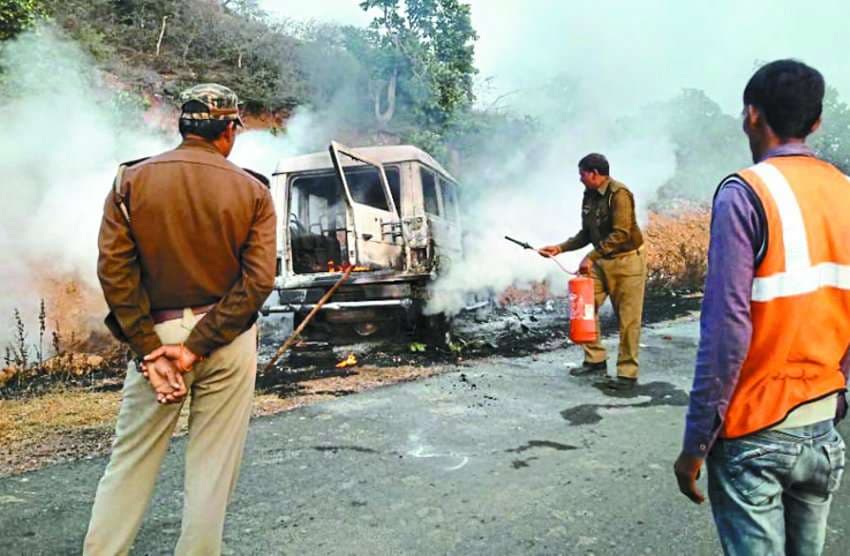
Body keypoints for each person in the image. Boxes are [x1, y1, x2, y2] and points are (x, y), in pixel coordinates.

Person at [84, 83, 277, 555]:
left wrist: (150, 349)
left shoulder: (129, 181)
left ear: (184, 126)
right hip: (227, 340)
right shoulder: (253, 191)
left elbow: (115, 272)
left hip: (155, 338)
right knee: (212, 470)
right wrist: (195, 347)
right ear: (229, 130)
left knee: (130, 461)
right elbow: (256, 283)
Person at [673, 60, 849, 555]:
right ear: (815, 123)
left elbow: (727, 331)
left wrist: (696, 445)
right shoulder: (846, 194)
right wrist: (834, 395)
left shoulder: (745, 193)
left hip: (755, 433)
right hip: (821, 428)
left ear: (752, 115)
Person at [540, 153, 647, 391]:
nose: (580, 179)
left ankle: (627, 374)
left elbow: (622, 233)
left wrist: (590, 256)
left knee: (628, 319)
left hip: (627, 262)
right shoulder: (589, 195)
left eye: (582, 174)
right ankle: (595, 359)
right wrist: (559, 248)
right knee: (586, 309)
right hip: (601, 262)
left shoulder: (619, 194)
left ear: (595, 174)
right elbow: (586, 234)